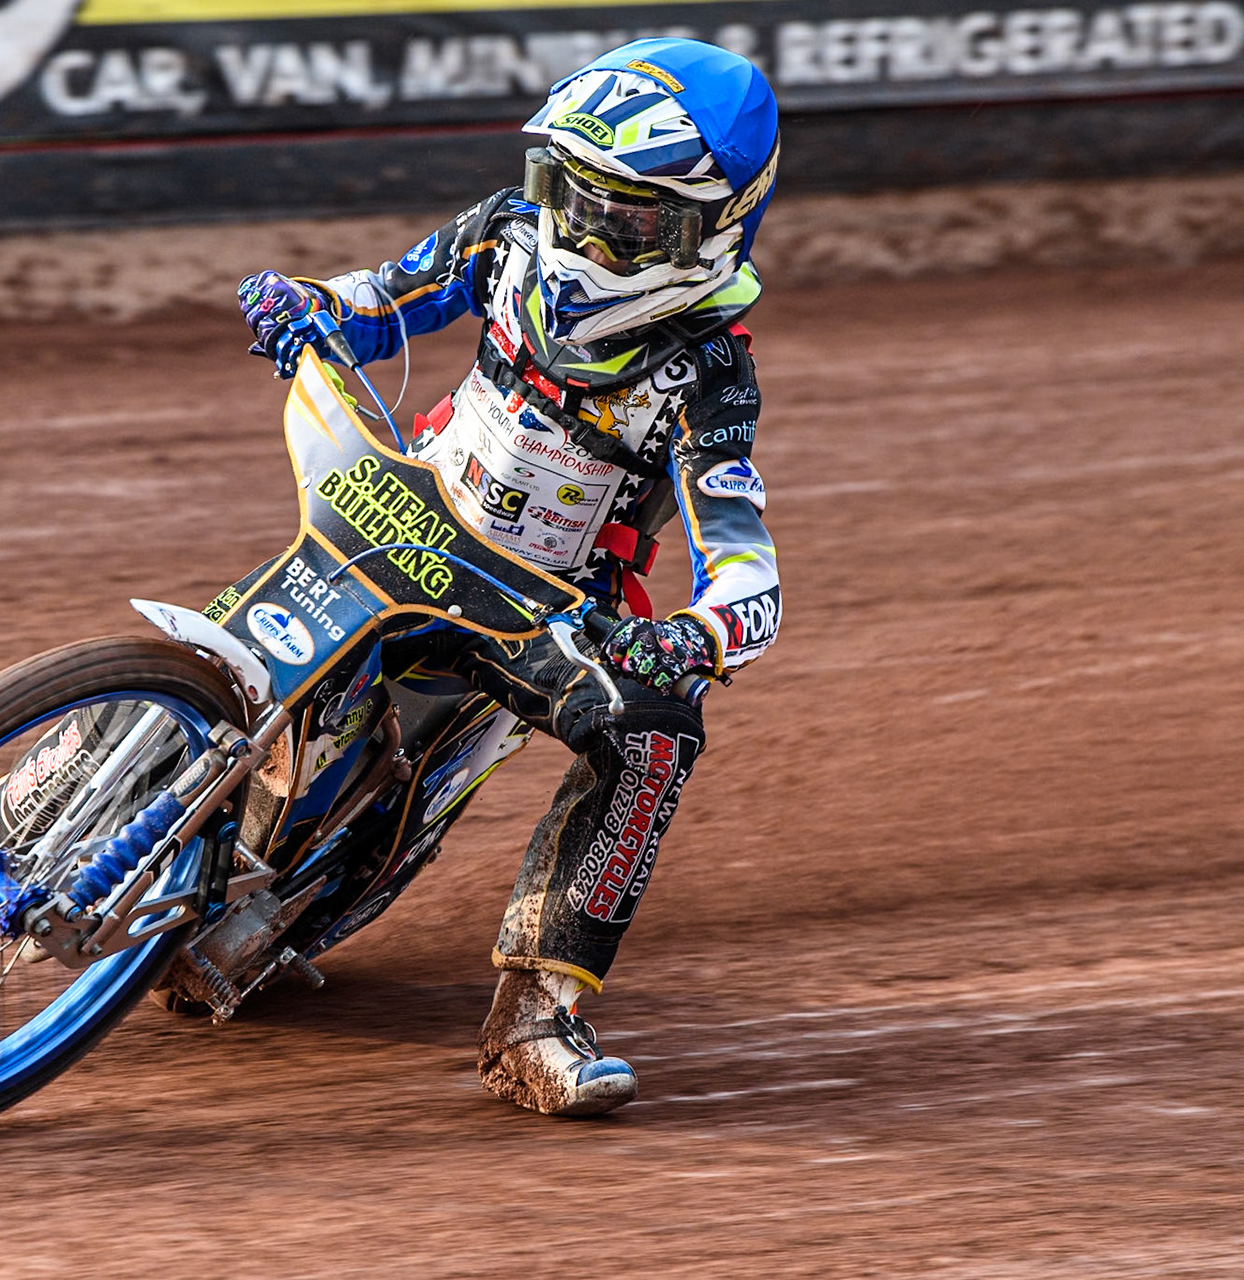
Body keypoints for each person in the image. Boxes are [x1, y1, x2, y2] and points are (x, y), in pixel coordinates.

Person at [236, 37, 783, 1117]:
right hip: (404, 510)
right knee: (240, 647)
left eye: (621, 216)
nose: (577, 228)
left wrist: (699, 634)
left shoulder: (708, 368)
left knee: (656, 725)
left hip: (547, 610)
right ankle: (25, 801)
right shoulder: (506, 235)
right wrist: (301, 303)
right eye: (565, 190)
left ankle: (537, 1018)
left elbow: (748, 561)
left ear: (708, 225)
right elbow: (379, 297)